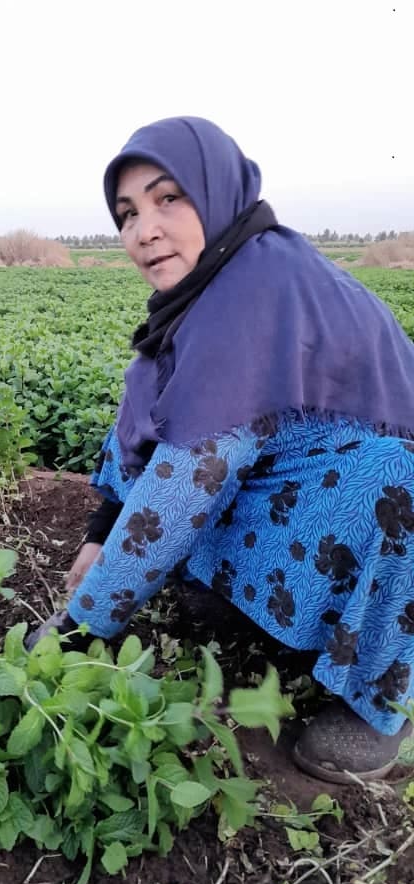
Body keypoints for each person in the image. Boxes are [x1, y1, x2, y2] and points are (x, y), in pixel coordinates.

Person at [26, 116, 414, 784]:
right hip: (305, 468)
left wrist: (79, 631)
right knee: (186, 431)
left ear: (216, 193)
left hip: (379, 493)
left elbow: (190, 477)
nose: (144, 230)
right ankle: (238, 596)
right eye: (127, 213)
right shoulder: (202, 296)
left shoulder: (256, 289)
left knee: (394, 483)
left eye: (168, 198)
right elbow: (152, 422)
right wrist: (100, 532)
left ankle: (382, 698)